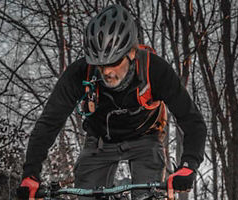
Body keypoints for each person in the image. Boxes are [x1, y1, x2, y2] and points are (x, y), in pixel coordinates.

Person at [18, 4, 206, 200]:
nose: (107, 71)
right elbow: (49, 122)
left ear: (131, 54)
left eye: (114, 62)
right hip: (100, 141)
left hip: (146, 138)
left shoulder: (156, 71)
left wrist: (188, 165)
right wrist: (30, 173)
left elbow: (192, 120)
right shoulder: (80, 72)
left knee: (148, 196)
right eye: (100, 65)